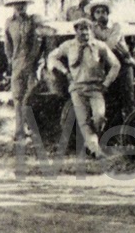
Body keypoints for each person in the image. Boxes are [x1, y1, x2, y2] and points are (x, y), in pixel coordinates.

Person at [47, 18, 121, 158]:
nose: (85, 32)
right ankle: (95, 149)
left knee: (99, 117)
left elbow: (116, 64)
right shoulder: (68, 46)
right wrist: (64, 71)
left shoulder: (99, 46)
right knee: (84, 121)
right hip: (77, 88)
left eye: (87, 28)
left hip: (95, 88)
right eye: (81, 29)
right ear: (76, 31)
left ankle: (91, 142)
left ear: (91, 30)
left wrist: (107, 83)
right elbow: (52, 57)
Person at [4, 0, 46, 148]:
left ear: (27, 5)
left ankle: (34, 130)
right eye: (17, 4)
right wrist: (11, 60)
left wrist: (34, 60)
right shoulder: (9, 22)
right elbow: (7, 43)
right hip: (16, 64)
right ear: (13, 6)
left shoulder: (33, 21)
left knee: (30, 97)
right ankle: (19, 131)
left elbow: (38, 41)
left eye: (22, 4)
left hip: (32, 63)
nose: (20, 7)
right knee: (17, 97)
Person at [88, 0, 135, 120]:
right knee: (111, 99)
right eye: (97, 12)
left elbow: (110, 44)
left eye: (103, 12)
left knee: (128, 99)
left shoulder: (116, 26)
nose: (100, 15)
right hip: (107, 65)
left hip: (123, 63)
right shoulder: (93, 28)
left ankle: (134, 129)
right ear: (94, 15)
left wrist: (99, 46)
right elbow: (91, 44)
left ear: (108, 13)